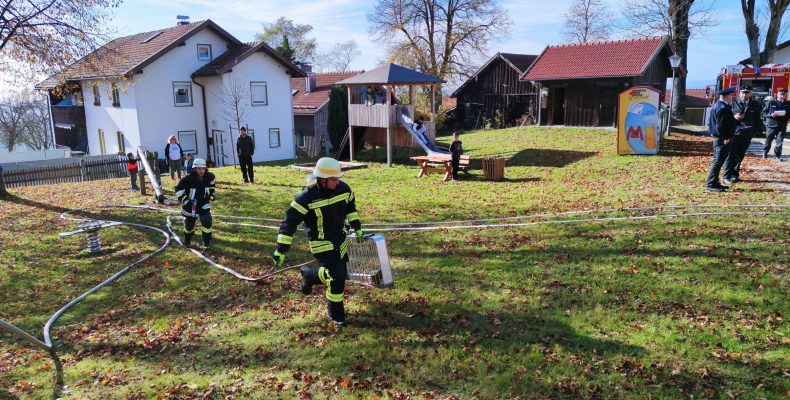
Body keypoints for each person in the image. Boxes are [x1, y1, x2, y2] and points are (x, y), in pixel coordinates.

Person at [273, 157, 363, 327]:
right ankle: (336, 316)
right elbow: (289, 222)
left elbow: (351, 208)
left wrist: (357, 226)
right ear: (322, 179)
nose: (338, 182)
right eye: (334, 179)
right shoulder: (306, 197)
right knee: (338, 276)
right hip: (321, 243)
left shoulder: (344, 189)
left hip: (340, 240)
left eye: (338, 178)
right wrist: (281, 249)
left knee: (338, 273)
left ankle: (310, 275)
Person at [723, 85, 763, 184]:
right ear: (739, 92)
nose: (745, 94)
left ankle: (734, 175)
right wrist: (734, 117)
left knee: (740, 155)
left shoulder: (755, 104)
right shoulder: (732, 104)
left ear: (750, 93)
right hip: (734, 134)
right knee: (731, 155)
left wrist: (755, 132)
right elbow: (725, 119)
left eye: (747, 92)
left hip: (747, 134)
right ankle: (726, 176)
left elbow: (757, 119)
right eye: (743, 92)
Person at [175, 158, 215, 249]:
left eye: (203, 168)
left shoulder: (209, 177)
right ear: (194, 169)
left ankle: (206, 242)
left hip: (203, 203)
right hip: (191, 205)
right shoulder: (188, 179)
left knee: (207, 221)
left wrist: (212, 194)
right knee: (189, 226)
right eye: (199, 169)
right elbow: (178, 189)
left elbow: (212, 186)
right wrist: (185, 200)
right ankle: (187, 240)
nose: (201, 171)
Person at [706, 87, 736, 192]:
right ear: (726, 96)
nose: (732, 97)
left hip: (718, 138)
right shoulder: (723, 107)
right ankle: (711, 184)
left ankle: (714, 182)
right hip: (721, 139)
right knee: (718, 161)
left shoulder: (717, 105)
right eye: (731, 95)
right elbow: (720, 126)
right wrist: (726, 137)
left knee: (718, 161)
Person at [763, 89, 789, 161]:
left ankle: (777, 156)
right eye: (781, 94)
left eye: (784, 95)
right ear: (777, 94)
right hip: (771, 125)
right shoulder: (771, 102)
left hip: (782, 125)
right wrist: (771, 115)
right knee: (768, 140)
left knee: (779, 141)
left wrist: (786, 116)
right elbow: (763, 113)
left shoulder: (787, 104)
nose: (782, 96)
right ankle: (765, 152)